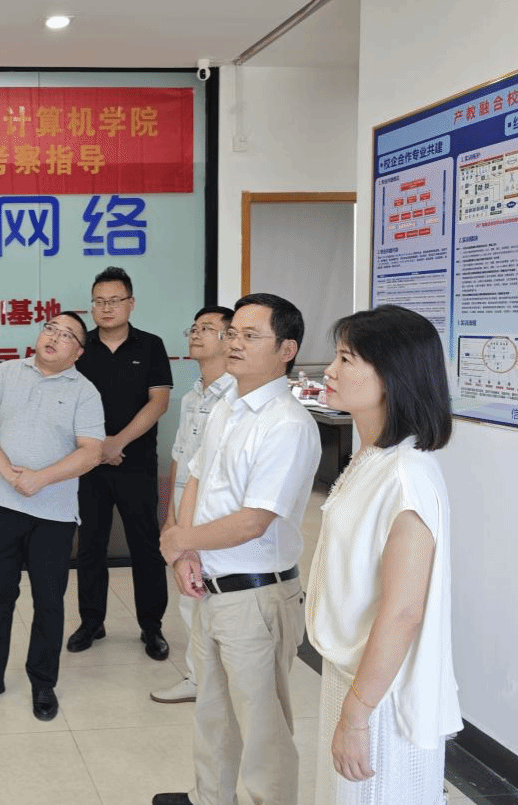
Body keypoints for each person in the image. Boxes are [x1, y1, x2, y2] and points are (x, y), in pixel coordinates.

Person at [154, 292, 322, 805]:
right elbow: (196, 477)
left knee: (263, 732)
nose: (235, 343)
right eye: (232, 333)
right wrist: (186, 553)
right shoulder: (227, 405)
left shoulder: (287, 424)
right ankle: (210, 798)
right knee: (213, 712)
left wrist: (180, 540)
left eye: (251, 336)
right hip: (211, 585)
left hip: (255, 597)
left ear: (286, 350)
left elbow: (254, 520)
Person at [307, 305, 461, 804]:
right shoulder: (373, 456)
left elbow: (402, 612)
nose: (330, 370)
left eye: (346, 359)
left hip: (382, 697)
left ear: (392, 377)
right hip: (355, 673)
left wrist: (356, 716)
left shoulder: (405, 476)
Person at [0, 312, 105, 721]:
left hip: (54, 517)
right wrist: (9, 473)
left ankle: (43, 682)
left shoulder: (85, 392)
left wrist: (40, 478)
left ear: (78, 352)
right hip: (2, 508)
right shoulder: (7, 372)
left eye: (67, 335)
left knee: (48, 602)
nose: (54, 337)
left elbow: (91, 451)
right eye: (50, 328)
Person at [67, 266, 174, 661]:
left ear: (131, 303)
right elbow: (65, 401)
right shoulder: (79, 348)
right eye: (99, 301)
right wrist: (97, 448)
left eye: (114, 300)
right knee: (90, 545)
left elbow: (158, 402)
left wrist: (117, 442)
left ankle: (152, 626)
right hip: (87, 464)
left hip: (136, 462)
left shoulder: (151, 345)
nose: (106, 307)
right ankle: (91, 621)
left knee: (145, 545)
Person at [150, 304, 234, 705]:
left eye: (207, 328)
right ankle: (198, 677)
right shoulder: (190, 397)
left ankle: (222, 682)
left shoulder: (236, 398)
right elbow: (179, 458)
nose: (196, 334)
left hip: (216, 515)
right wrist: (170, 517)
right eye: (194, 328)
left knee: (220, 600)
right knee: (190, 597)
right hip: (185, 512)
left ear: (229, 340)